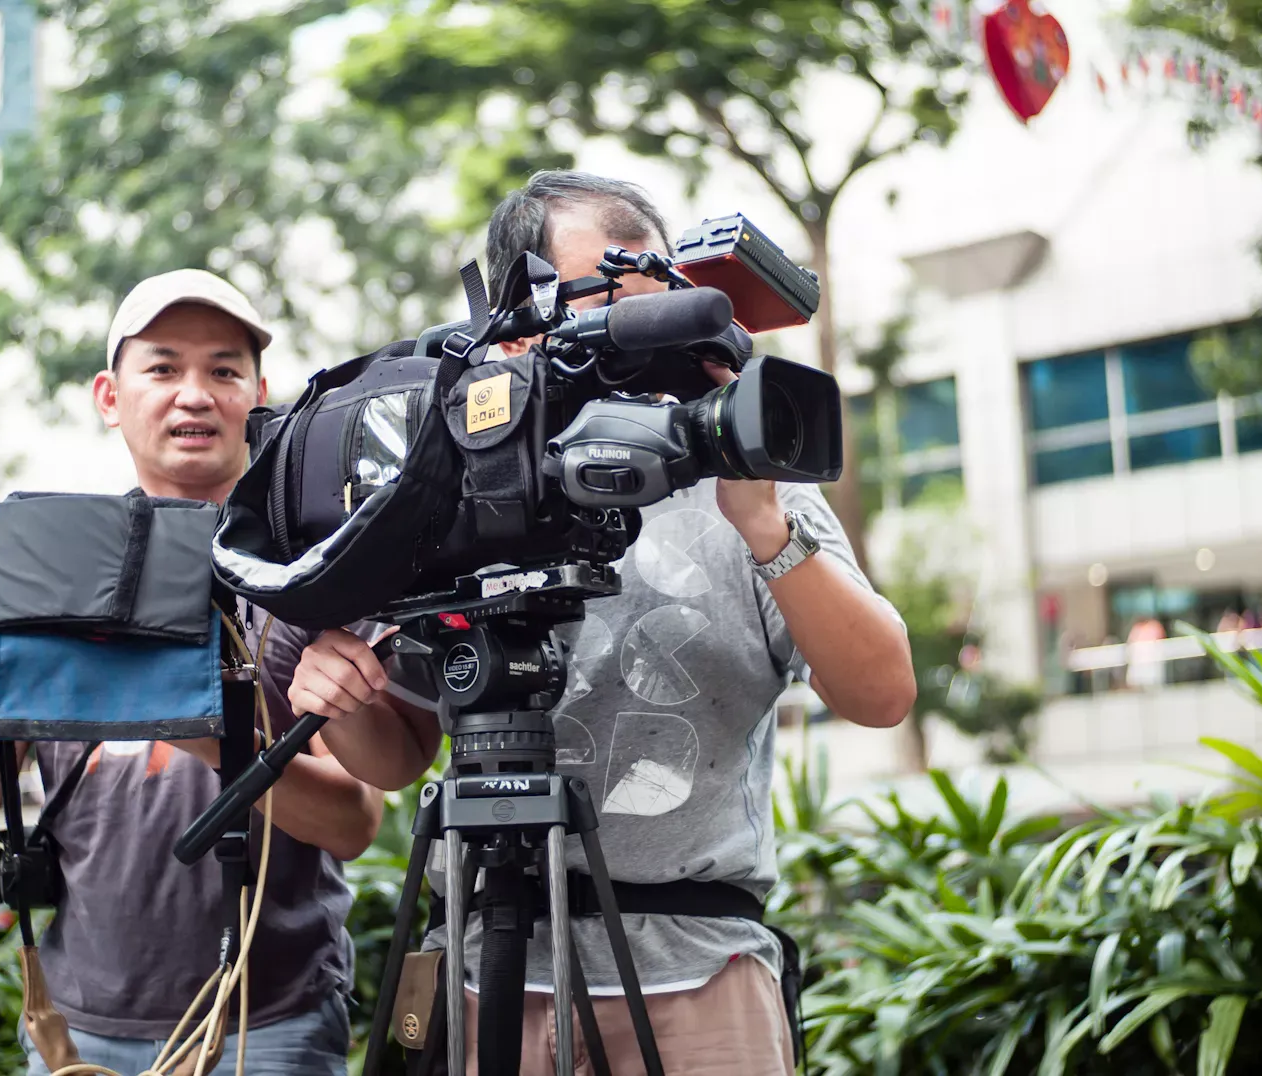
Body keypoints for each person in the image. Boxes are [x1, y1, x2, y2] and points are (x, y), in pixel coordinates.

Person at [393, 171, 917, 1075]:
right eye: (606, 312)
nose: (637, 347)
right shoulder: (451, 483)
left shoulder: (739, 470)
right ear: (517, 312)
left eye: (653, 311)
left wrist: (763, 523)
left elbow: (881, 692)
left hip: (699, 974)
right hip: (492, 974)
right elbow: (391, 746)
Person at [0, 270, 441, 1076]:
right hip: (73, 1032)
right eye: (163, 368)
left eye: (224, 370)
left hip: (262, 1028)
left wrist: (204, 734)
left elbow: (356, 823)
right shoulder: (61, 570)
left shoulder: (306, 575)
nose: (194, 395)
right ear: (110, 394)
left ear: (259, 394)